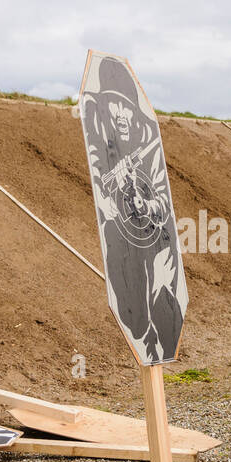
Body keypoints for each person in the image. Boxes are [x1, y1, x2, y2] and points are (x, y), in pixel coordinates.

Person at [81, 56, 185, 361]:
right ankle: (142, 331)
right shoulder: (103, 144)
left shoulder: (146, 141)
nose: (122, 113)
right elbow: (102, 187)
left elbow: (162, 198)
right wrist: (119, 195)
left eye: (127, 106)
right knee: (137, 318)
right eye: (115, 105)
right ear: (105, 109)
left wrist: (147, 204)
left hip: (155, 239)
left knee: (164, 303)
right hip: (126, 241)